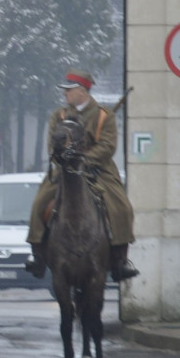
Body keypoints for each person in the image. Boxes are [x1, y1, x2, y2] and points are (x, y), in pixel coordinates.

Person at [24, 69, 138, 282]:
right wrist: (62, 157)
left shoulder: (104, 115)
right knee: (39, 203)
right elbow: (52, 144)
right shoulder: (59, 115)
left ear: (82, 91)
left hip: (98, 170)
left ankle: (120, 260)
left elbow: (107, 146)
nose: (64, 94)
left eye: (69, 90)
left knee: (121, 207)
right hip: (65, 171)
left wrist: (85, 160)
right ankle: (37, 254)